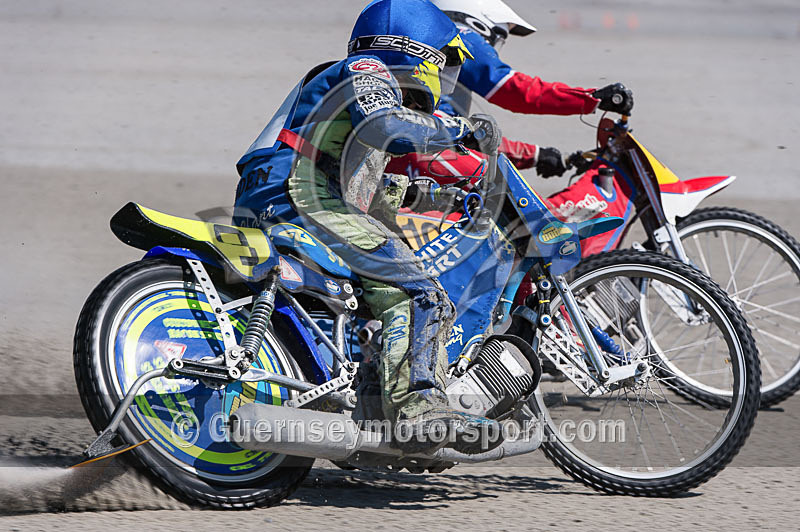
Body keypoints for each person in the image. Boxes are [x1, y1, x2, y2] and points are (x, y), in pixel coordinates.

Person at [233, 0, 499, 454]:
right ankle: (418, 410)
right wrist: (458, 130)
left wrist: (442, 199)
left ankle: (370, 406)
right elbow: (386, 128)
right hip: (299, 200)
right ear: (418, 49)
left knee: (375, 295)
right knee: (422, 293)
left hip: (280, 198)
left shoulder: (344, 88)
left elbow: (365, 182)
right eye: (447, 62)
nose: (448, 81)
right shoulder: (367, 67)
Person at [386, 0, 633, 180]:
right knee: (525, 216)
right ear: (475, 23)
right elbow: (517, 92)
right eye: (499, 38)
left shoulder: (419, 43)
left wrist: (535, 155)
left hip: (411, 148)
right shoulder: (461, 38)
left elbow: (466, 136)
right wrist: (592, 99)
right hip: (426, 151)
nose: (494, 48)